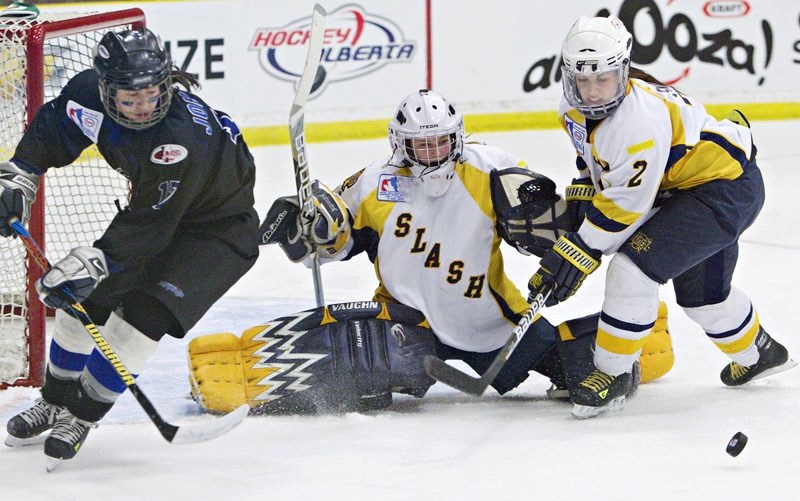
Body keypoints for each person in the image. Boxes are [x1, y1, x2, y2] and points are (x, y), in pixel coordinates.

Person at [185, 89, 674, 416]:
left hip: (491, 325)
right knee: (358, 357)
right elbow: (328, 247)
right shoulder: (373, 183)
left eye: (441, 142)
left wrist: (549, 216)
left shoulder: (489, 169)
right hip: (406, 324)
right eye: (421, 145)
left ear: (456, 137)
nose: (433, 153)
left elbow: (545, 222)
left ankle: (634, 337)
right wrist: (313, 230)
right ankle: (241, 367)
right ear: (401, 145)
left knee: (577, 365)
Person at [0, 28, 259, 462]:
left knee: (139, 318)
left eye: (154, 94)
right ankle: (54, 400)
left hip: (217, 232)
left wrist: (99, 262)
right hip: (158, 213)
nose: (143, 107)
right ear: (105, 89)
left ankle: (81, 415)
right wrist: (20, 174)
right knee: (83, 302)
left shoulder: (178, 143)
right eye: (129, 98)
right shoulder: (88, 95)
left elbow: (148, 232)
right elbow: (50, 130)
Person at [527, 15, 796, 418]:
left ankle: (613, 373)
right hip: (686, 188)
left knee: (631, 271)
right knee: (704, 297)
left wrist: (577, 250)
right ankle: (759, 353)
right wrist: (583, 193)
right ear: (568, 75)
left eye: (605, 78)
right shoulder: (571, 109)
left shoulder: (639, 122)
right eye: (584, 80)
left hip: (721, 191)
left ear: (624, 71)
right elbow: (595, 160)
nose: (594, 91)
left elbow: (628, 206)